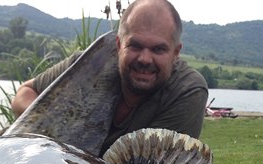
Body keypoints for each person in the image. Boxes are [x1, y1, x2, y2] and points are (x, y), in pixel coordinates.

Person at [11, 0, 208, 155]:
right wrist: (56, 126)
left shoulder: (187, 91)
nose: (145, 59)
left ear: (176, 52)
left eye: (158, 49)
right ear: (118, 44)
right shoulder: (89, 64)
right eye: (135, 45)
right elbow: (25, 93)